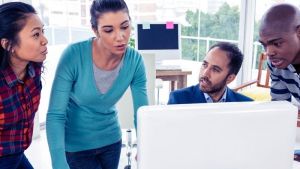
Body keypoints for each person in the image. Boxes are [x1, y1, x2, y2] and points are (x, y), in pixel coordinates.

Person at [46, 0, 148, 169]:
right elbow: (56, 115)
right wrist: (58, 162)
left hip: (112, 142)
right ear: (95, 30)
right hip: (76, 147)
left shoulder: (135, 61)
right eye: (109, 30)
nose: (120, 36)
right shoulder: (73, 55)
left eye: (125, 26)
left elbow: (142, 113)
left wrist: (145, 146)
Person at [0, 2, 48, 169]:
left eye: (43, 31)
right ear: (8, 45)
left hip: (16, 153)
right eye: (36, 35)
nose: (45, 40)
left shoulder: (33, 66)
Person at [258, 3, 300, 161]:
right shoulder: (276, 64)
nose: (269, 52)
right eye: (264, 45)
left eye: (277, 43)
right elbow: (279, 108)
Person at [168, 42, 253, 104]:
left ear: (230, 78)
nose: (205, 73)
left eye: (215, 69)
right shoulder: (178, 99)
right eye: (205, 65)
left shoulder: (245, 105)